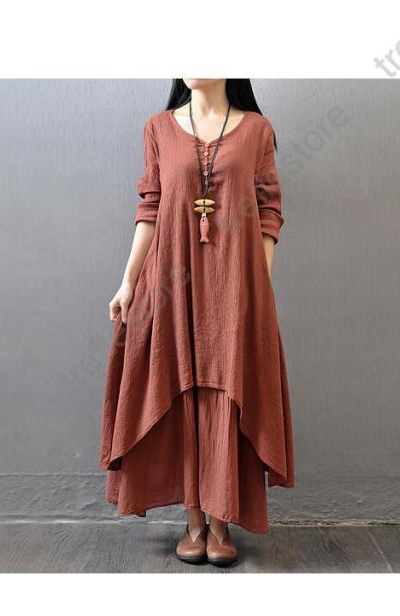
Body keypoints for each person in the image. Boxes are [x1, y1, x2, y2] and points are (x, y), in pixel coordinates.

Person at [99, 79, 294, 567]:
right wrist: (127, 282)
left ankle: (221, 521)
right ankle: (193, 522)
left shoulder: (257, 131)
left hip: (236, 286)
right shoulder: (158, 128)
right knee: (179, 385)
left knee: (227, 391)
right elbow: (150, 209)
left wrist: (256, 284)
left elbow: (268, 211)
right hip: (170, 282)